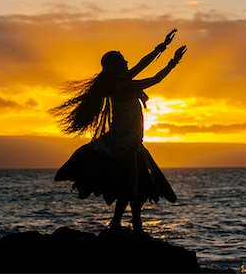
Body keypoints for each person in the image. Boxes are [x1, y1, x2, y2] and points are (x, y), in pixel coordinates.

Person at [52, 28, 187, 235]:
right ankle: (125, 223)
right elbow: (155, 79)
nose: (127, 63)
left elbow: (142, 64)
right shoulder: (122, 86)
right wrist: (173, 61)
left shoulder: (121, 82)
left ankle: (131, 223)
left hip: (131, 142)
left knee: (137, 184)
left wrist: (162, 47)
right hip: (122, 144)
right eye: (123, 61)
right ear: (116, 67)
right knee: (131, 185)